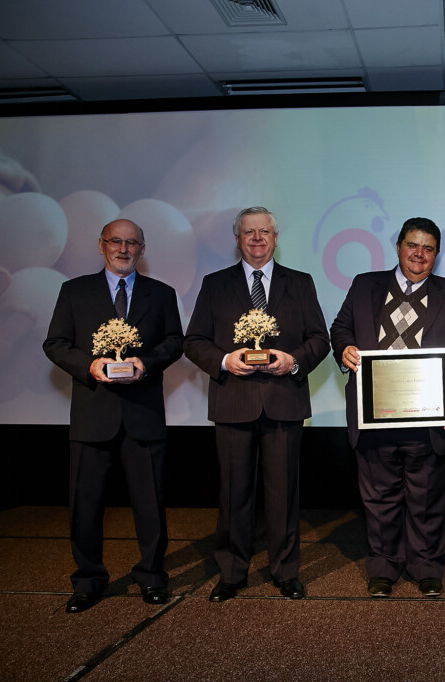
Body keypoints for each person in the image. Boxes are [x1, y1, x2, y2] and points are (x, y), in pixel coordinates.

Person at [330, 217, 445, 598]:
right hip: (375, 413)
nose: (419, 254)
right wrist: (344, 347)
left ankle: (427, 568)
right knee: (379, 498)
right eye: (412, 245)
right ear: (398, 246)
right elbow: (340, 328)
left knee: (428, 497)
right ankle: (383, 568)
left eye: (428, 248)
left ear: (437, 255)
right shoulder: (365, 285)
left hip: (430, 416)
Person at [183, 206, 329, 602]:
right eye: (249, 232)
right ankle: (231, 572)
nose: (257, 239)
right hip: (234, 401)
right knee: (233, 493)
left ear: (276, 238)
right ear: (238, 238)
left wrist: (294, 360)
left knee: (283, 494)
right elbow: (194, 341)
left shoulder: (300, 283)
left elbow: (320, 338)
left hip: (284, 402)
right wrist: (225, 361)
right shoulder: (215, 285)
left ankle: (285, 571)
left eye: (265, 232)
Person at [43, 218, 184, 613]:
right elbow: (55, 343)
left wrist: (146, 363)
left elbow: (175, 342)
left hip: (143, 415)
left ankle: (153, 578)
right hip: (92, 414)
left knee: (151, 504)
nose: (124, 249)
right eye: (116, 242)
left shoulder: (161, 293)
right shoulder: (74, 291)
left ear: (143, 249)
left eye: (133, 243)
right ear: (101, 245)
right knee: (85, 504)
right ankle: (88, 580)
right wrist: (90, 365)